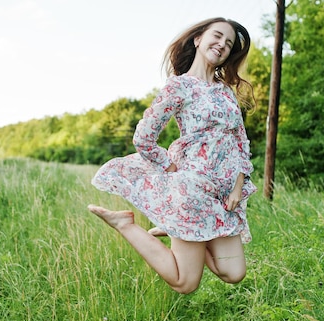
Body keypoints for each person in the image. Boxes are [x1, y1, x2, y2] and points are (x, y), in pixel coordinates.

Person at [88, 17, 257, 294]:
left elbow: (240, 140)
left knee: (234, 272)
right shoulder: (178, 87)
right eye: (217, 36)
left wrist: (238, 185)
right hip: (192, 189)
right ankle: (124, 224)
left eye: (228, 44)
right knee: (185, 283)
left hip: (223, 194)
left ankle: (175, 227)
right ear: (198, 39)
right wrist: (172, 169)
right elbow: (143, 138)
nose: (222, 45)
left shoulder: (225, 92)